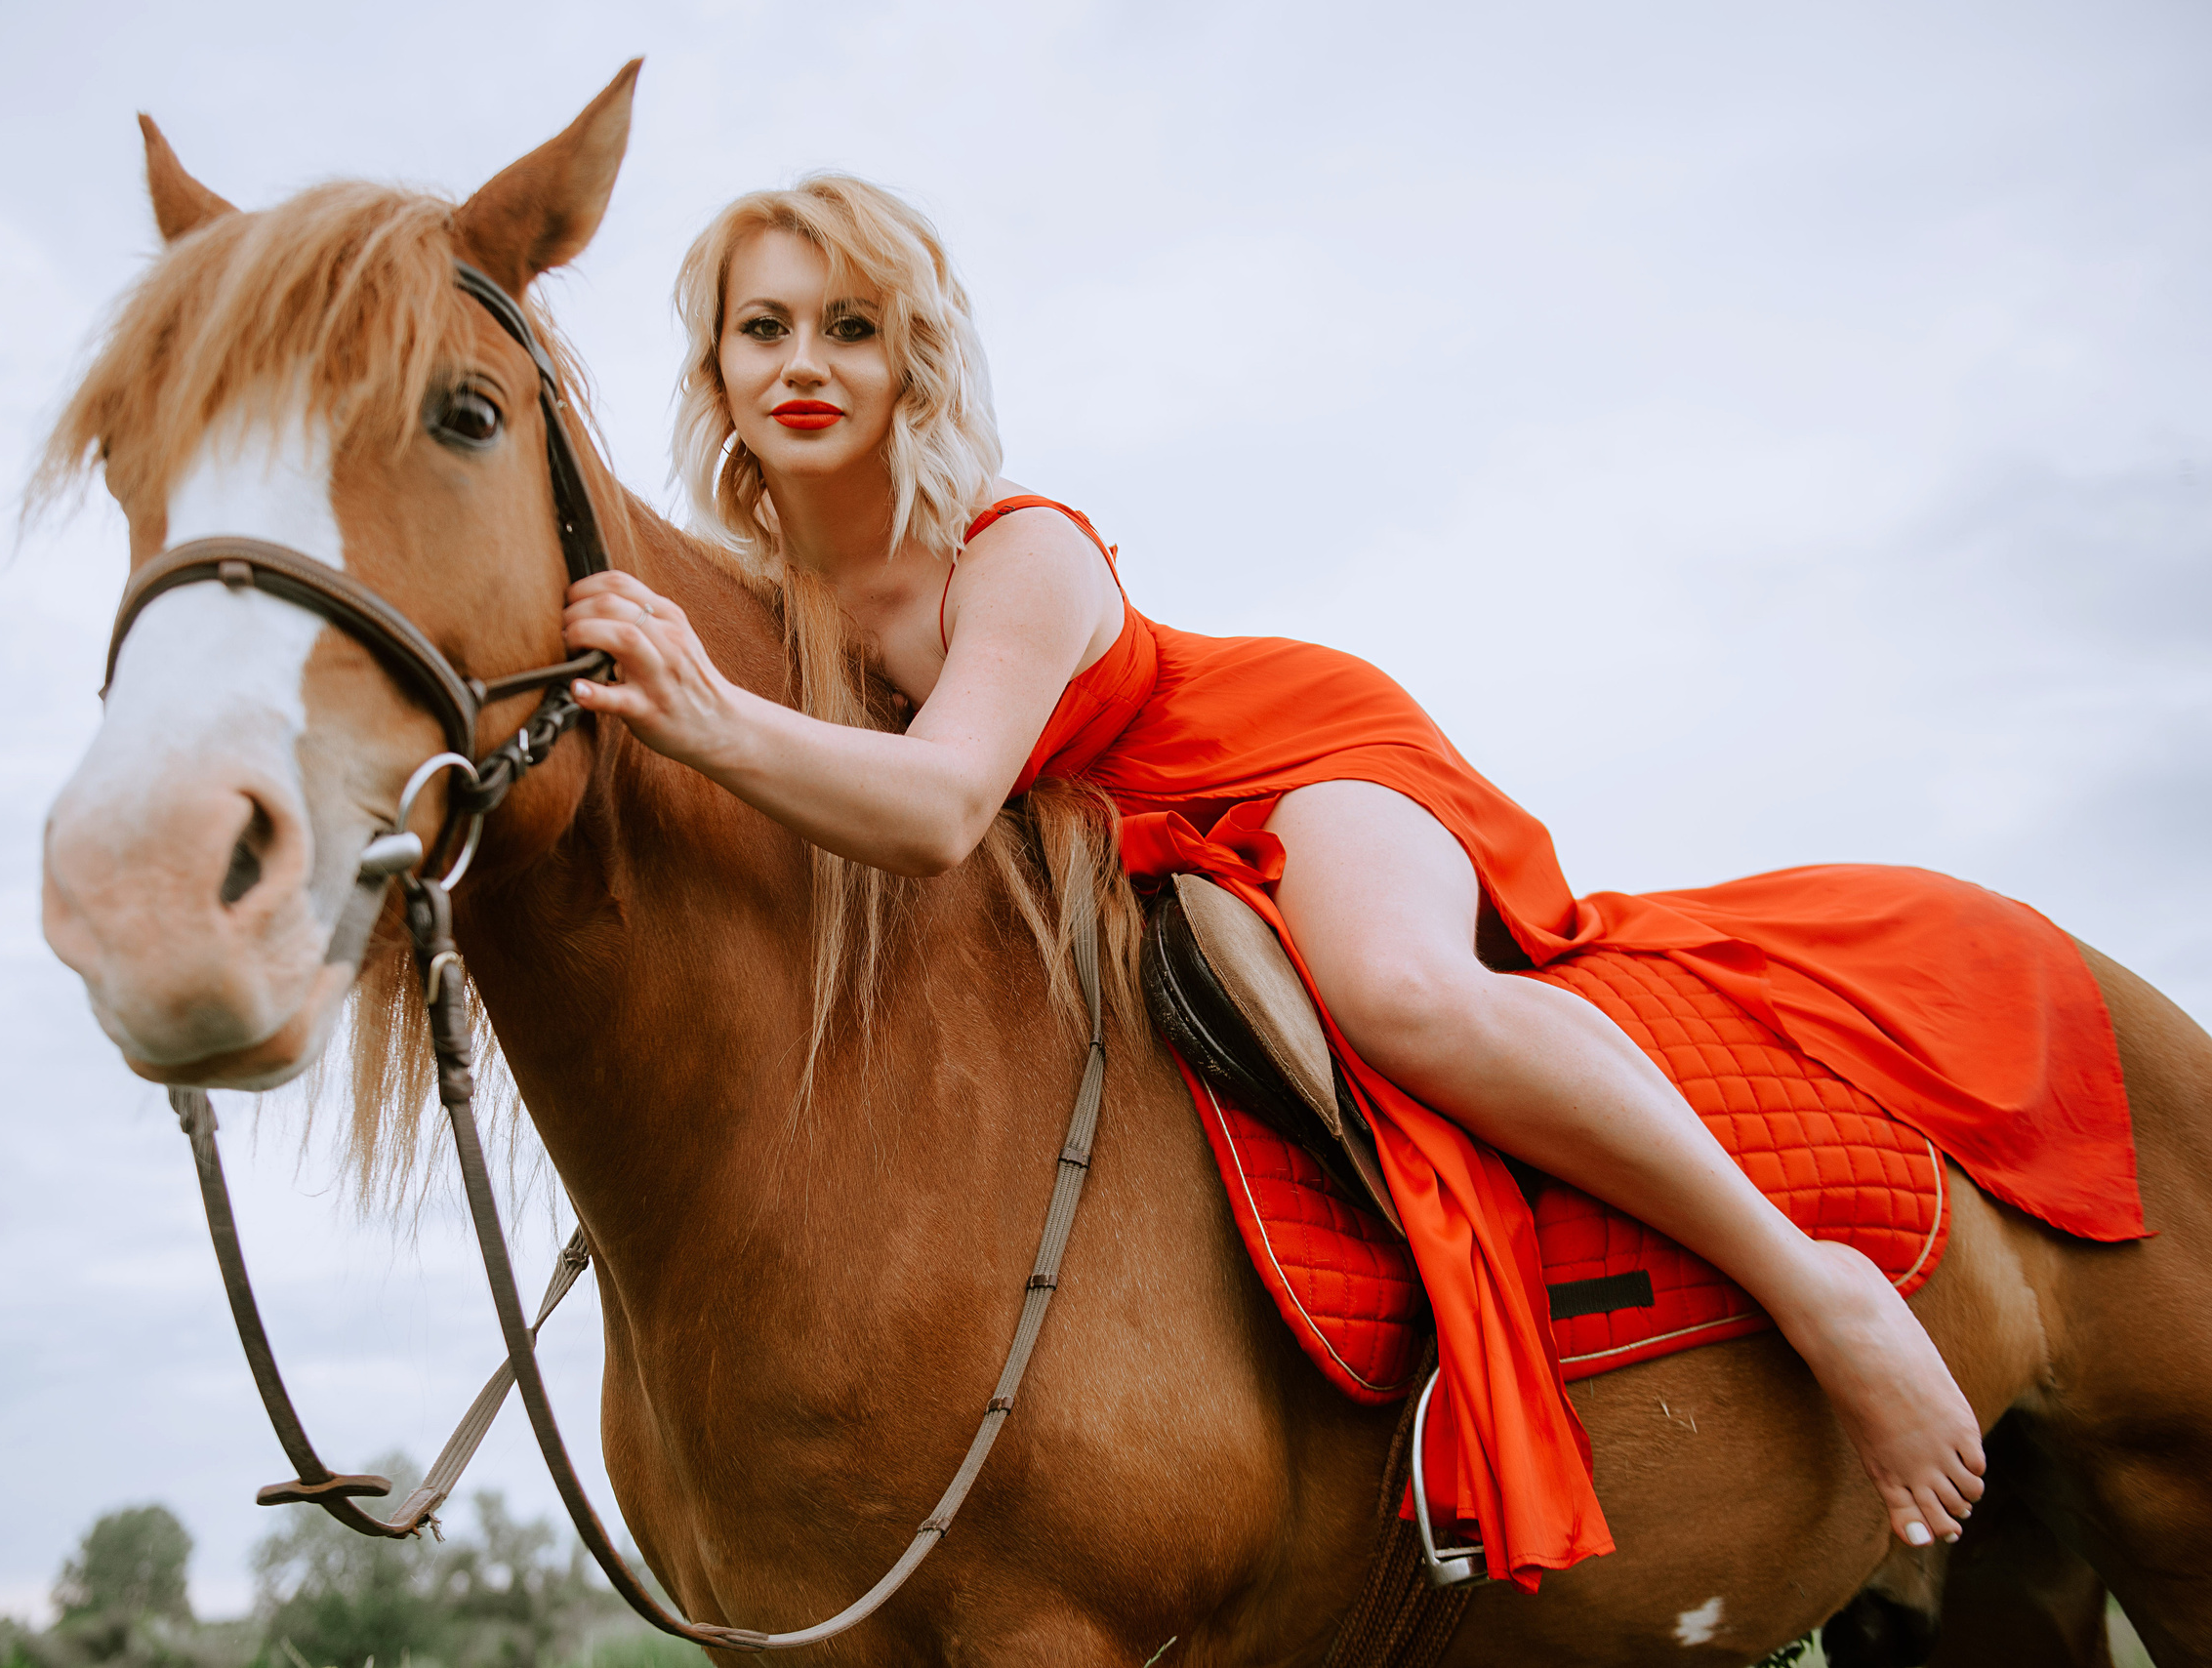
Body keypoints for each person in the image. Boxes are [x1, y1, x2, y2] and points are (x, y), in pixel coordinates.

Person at [558, 175, 2007, 1569]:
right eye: (767, 327)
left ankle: (1821, 1290)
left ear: (911, 359)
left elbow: (939, 809)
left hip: (1277, 764)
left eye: (850, 326)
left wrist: (707, 713)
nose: (805, 362)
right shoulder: (756, 593)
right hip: (1108, 853)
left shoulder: (1015, 550)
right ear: (718, 362)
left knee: (1400, 991)